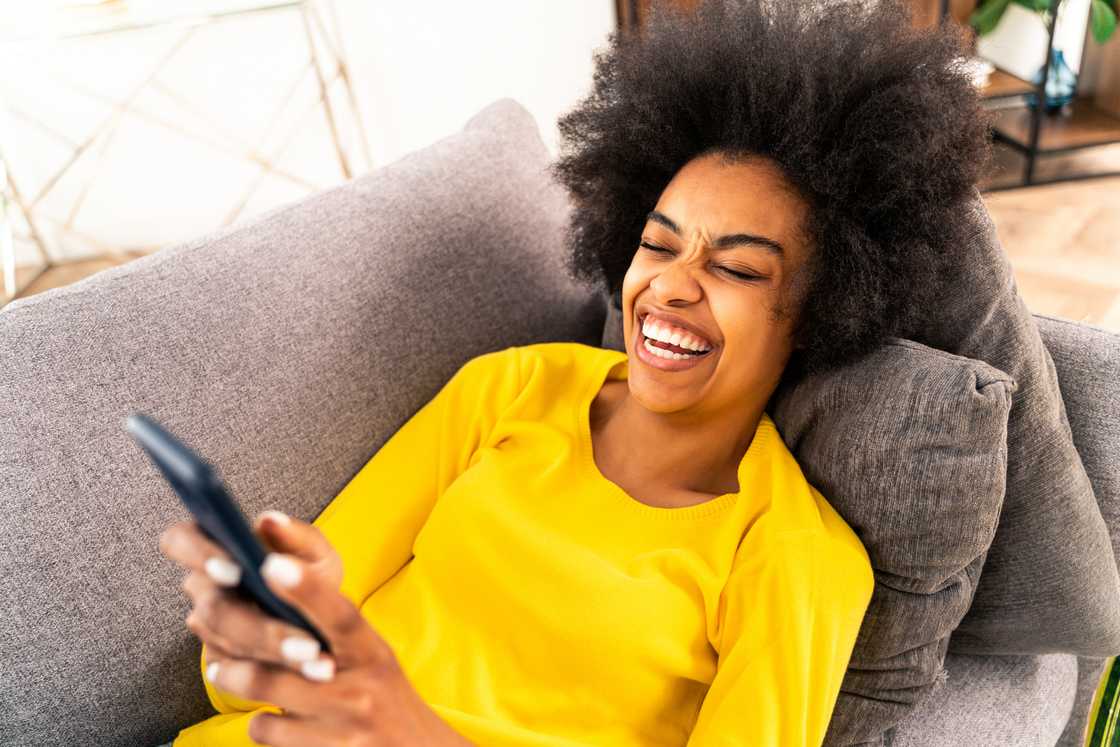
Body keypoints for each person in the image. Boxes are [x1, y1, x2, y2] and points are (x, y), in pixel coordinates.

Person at [156, 0, 993, 744]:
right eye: (657, 244)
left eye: (736, 269)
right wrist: (272, 623)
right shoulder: (511, 388)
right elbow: (240, 687)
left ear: (817, 313)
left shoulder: (795, 559)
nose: (668, 284)